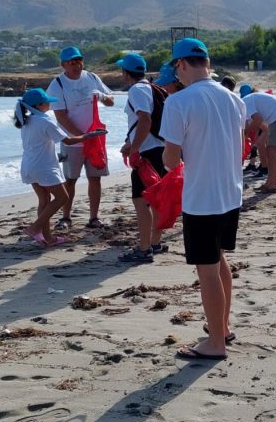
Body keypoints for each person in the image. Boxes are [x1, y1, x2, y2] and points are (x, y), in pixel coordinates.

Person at [160, 38, 247, 361]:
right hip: (230, 192)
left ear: (181, 64)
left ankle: (216, 344)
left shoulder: (178, 102)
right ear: (207, 63)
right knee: (219, 260)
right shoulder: (233, 98)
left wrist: (177, 162)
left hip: (202, 197)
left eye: (176, 68)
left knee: (207, 270)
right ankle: (221, 328)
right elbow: (238, 144)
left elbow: (170, 160)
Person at [14, 88, 101, 248]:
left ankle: (48, 238)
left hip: (28, 165)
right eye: (47, 102)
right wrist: (89, 135)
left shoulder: (26, 121)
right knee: (62, 198)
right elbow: (67, 141)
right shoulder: (45, 121)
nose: (50, 104)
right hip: (44, 167)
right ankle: (34, 228)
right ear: (39, 105)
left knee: (44, 200)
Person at [45, 46, 115, 230]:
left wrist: (102, 96)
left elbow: (111, 101)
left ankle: (94, 218)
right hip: (72, 141)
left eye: (79, 61)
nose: (76, 65)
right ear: (63, 65)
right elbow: (61, 117)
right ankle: (66, 217)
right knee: (70, 180)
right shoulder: (58, 85)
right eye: (72, 62)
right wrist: (82, 137)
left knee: (95, 178)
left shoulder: (91, 77)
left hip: (95, 140)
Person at [117, 53, 167, 264]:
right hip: (160, 149)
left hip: (148, 153)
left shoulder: (136, 90)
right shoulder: (153, 88)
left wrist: (135, 148)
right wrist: (131, 144)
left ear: (125, 72)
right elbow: (146, 123)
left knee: (141, 202)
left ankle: (144, 249)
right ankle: (154, 243)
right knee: (155, 200)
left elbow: (145, 120)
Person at [240, 85, 276, 193]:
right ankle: (269, 183)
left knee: (271, 150)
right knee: (270, 149)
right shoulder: (249, 100)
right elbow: (260, 125)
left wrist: (245, 132)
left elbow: (258, 120)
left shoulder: (245, 102)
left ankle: (272, 185)